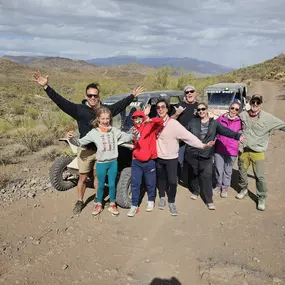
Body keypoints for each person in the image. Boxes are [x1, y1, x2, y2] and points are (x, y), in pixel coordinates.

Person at [32, 70, 144, 215]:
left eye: (95, 95)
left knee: (99, 177)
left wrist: (132, 96)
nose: (92, 98)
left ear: (98, 97)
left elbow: (120, 106)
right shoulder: (78, 110)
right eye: (90, 95)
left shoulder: (105, 111)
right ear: (86, 96)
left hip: (101, 152)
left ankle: (98, 201)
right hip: (85, 150)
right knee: (83, 178)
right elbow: (61, 102)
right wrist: (46, 88)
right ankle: (80, 201)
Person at [155, 99, 215, 216]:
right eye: (158, 107)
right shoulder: (154, 123)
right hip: (159, 156)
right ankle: (162, 196)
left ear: (167, 109)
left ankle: (171, 201)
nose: (160, 109)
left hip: (171, 157)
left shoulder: (174, 124)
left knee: (172, 181)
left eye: (163, 107)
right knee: (161, 179)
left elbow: (188, 136)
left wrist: (202, 145)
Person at [185, 102, 245, 210]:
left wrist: (237, 136)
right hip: (193, 153)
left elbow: (225, 131)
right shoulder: (192, 122)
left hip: (207, 154)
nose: (201, 111)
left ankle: (209, 200)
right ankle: (196, 191)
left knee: (207, 176)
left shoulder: (214, 124)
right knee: (194, 173)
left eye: (203, 109)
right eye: (199, 110)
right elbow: (184, 134)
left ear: (207, 110)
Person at [77, 107, 133, 216]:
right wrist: (71, 138)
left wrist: (134, 133)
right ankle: (99, 204)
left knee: (112, 184)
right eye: (103, 118)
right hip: (101, 163)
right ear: (98, 119)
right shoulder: (94, 132)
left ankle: (112, 204)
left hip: (113, 162)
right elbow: (81, 141)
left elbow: (127, 137)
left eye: (107, 118)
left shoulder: (114, 131)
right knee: (101, 184)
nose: (105, 121)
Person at [236, 94, 285, 211]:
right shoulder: (243, 115)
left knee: (260, 176)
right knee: (242, 172)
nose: (255, 105)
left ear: (261, 105)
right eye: (253, 102)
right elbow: (231, 120)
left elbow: (283, 126)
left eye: (258, 103)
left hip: (257, 152)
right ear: (250, 103)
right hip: (243, 150)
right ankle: (244, 190)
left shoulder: (269, 118)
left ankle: (261, 197)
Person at [127, 107, 164, 217]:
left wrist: (150, 119)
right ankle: (134, 205)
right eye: (135, 118)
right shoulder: (132, 130)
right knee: (135, 184)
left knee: (150, 182)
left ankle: (151, 201)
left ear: (143, 118)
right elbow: (130, 141)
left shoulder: (149, 126)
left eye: (139, 117)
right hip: (136, 161)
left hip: (149, 161)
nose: (137, 120)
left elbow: (161, 122)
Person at [213, 102, 242, 198]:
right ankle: (218, 185)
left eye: (236, 109)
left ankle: (225, 187)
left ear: (239, 111)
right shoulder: (220, 119)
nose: (233, 110)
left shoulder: (240, 122)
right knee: (218, 168)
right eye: (232, 108)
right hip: (219, 147)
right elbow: (212, 128)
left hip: (231, 150)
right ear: (229, 108)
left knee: (228, 170)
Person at [171, 85, 198, 180]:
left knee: (193, 161)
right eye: (187, 92)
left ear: (195, 93)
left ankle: (193, 182)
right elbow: (170, 120)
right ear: (185, 95)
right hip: (181, 139)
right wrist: (176, 114)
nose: (189, 93)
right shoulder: (180, 105)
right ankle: (176, 180)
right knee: (179, 160)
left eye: (191, 91)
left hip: (194, 139)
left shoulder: (199, 107)